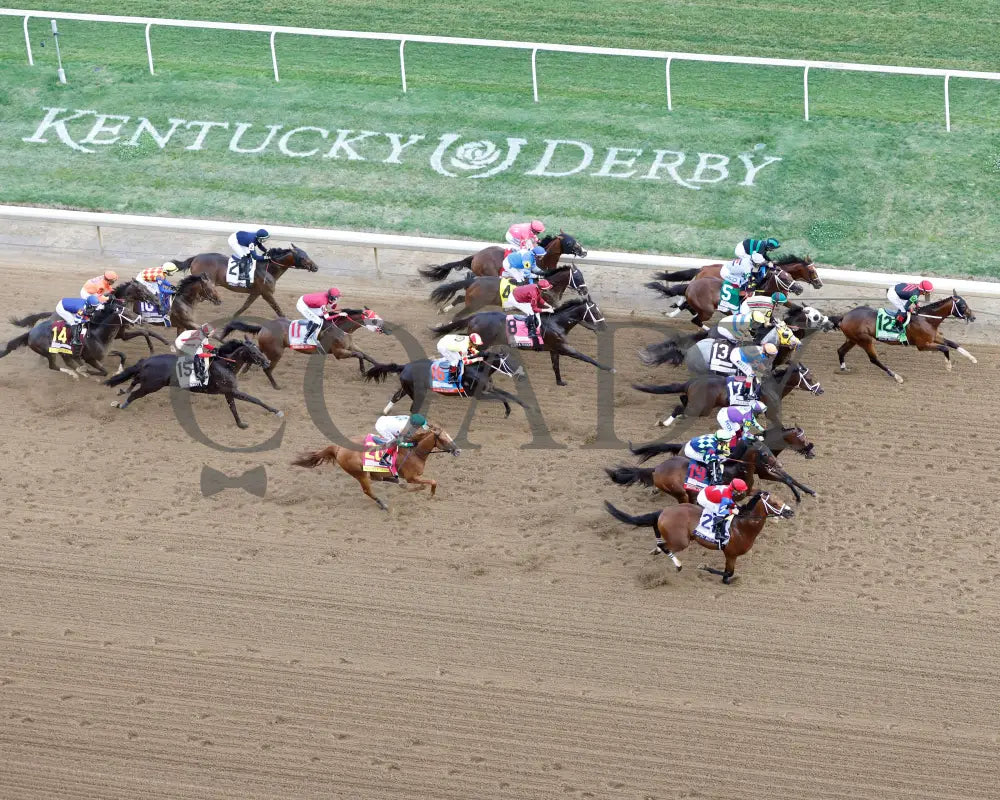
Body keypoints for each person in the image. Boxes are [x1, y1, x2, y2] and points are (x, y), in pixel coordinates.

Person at [696, 478, 749, 548]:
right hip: (703, 498)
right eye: (740, 491)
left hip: (707, 492)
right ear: (735, 490)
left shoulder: (729, 489)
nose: (742, 492)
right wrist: (732, 511)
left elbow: (729, 499)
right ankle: (717, 532)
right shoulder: (726, 496)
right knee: (720, 513)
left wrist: (734, 505)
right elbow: (721, 511)